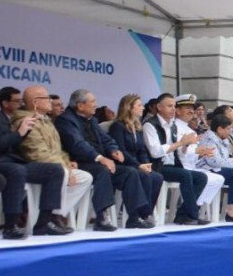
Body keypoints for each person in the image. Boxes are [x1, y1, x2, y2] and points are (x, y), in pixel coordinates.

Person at [56, 89, 148, 230]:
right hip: (78, 162)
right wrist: (100, 158)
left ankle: (134, 217)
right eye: (92, 102)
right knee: (102, 171)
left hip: (98, 162)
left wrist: (113, 149)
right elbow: (77, 144)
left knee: (130, 172)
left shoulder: (92, 120)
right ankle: (101, 217)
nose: (96, 105)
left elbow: (106, 139)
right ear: (80, 106)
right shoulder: (66, 120)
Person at [0, 79, 69, 238]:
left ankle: (44, 223)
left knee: (55, 170)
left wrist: (23, 132)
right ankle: (11, 225)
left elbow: (10, 140)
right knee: (16, 171)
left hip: (9, 160)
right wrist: (20, 132)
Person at [12, 86, 93, 231]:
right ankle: (46, 220)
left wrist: (67, 162)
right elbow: (37, 153)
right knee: (61, 172)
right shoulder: (26, 121)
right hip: (31, 165)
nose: (50, 100)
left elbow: (57, 149)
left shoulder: (46, 120)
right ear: (35, 102)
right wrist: (65, 167)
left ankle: (56, 214)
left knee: (85, 177)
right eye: (47, 98)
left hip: (53, 164)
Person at [144, 93, 211, 225]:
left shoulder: (172, 125)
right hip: (157, 166)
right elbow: (155, 152)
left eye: (174, 106)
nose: (173, 109)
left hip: (172, 164)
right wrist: (181, 143)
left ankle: (182, 214)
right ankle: (192, 215)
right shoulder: (150, 125)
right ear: (159, 107)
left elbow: (178, 150)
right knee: (185, 175)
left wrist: (186, 145)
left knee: (201, 177)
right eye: (170, 106)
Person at [107, 94, 165, 225]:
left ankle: (146, 213)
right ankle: (134, 216)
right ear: (129, 107)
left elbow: (141, 150)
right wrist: (138, 165)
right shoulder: (118, 127)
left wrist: (146, 164)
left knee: (157, 177)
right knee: (142, 175)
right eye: (139, 105)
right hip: (123, 165)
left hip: (136, 164)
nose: (143, 108)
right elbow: (121, 151)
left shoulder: (137, 127)